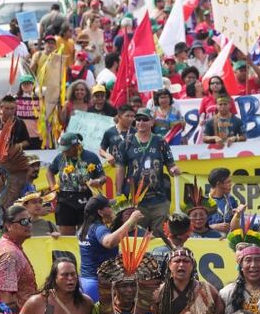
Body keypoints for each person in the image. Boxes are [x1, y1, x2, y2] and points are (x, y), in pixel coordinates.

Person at [115, 108, 183, 237]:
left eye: (145, 119)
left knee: (160, 235)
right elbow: (120, 169)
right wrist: (119, 193)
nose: (141, 122)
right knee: (137, 235)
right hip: (135, 201)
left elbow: (170, 164)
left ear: (152, 122)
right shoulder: (126, 143)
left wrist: (174, 169)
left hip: (159, 199)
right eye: (138, 119)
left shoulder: (160, 142)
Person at [79, 196, 144, 302]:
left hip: (85, 281)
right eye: (109, 207)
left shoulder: (84, 228)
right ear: (100, 212)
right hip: (98, 285)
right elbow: (109, 242)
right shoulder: (99, 228)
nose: (112, 210)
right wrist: (131, 220)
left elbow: (96, 249)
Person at [47, 132, 107, 236]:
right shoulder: (60, 157)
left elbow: (103, 176)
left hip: (86, 198)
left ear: (76, 145)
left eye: (67, 149)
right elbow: (50, 172)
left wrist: (98, 181)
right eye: (63, 149)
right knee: (66, 234)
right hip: (65, 199)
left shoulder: (91, 157)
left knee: (84, 234)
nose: (65, 151)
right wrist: (53, 188)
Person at [0, 205, 38, 309]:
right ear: (8, 225)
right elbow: (7, 299)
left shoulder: (11, 245)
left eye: (30, 220)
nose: (29, 225)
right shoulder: (9, 255)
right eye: (23, 221)